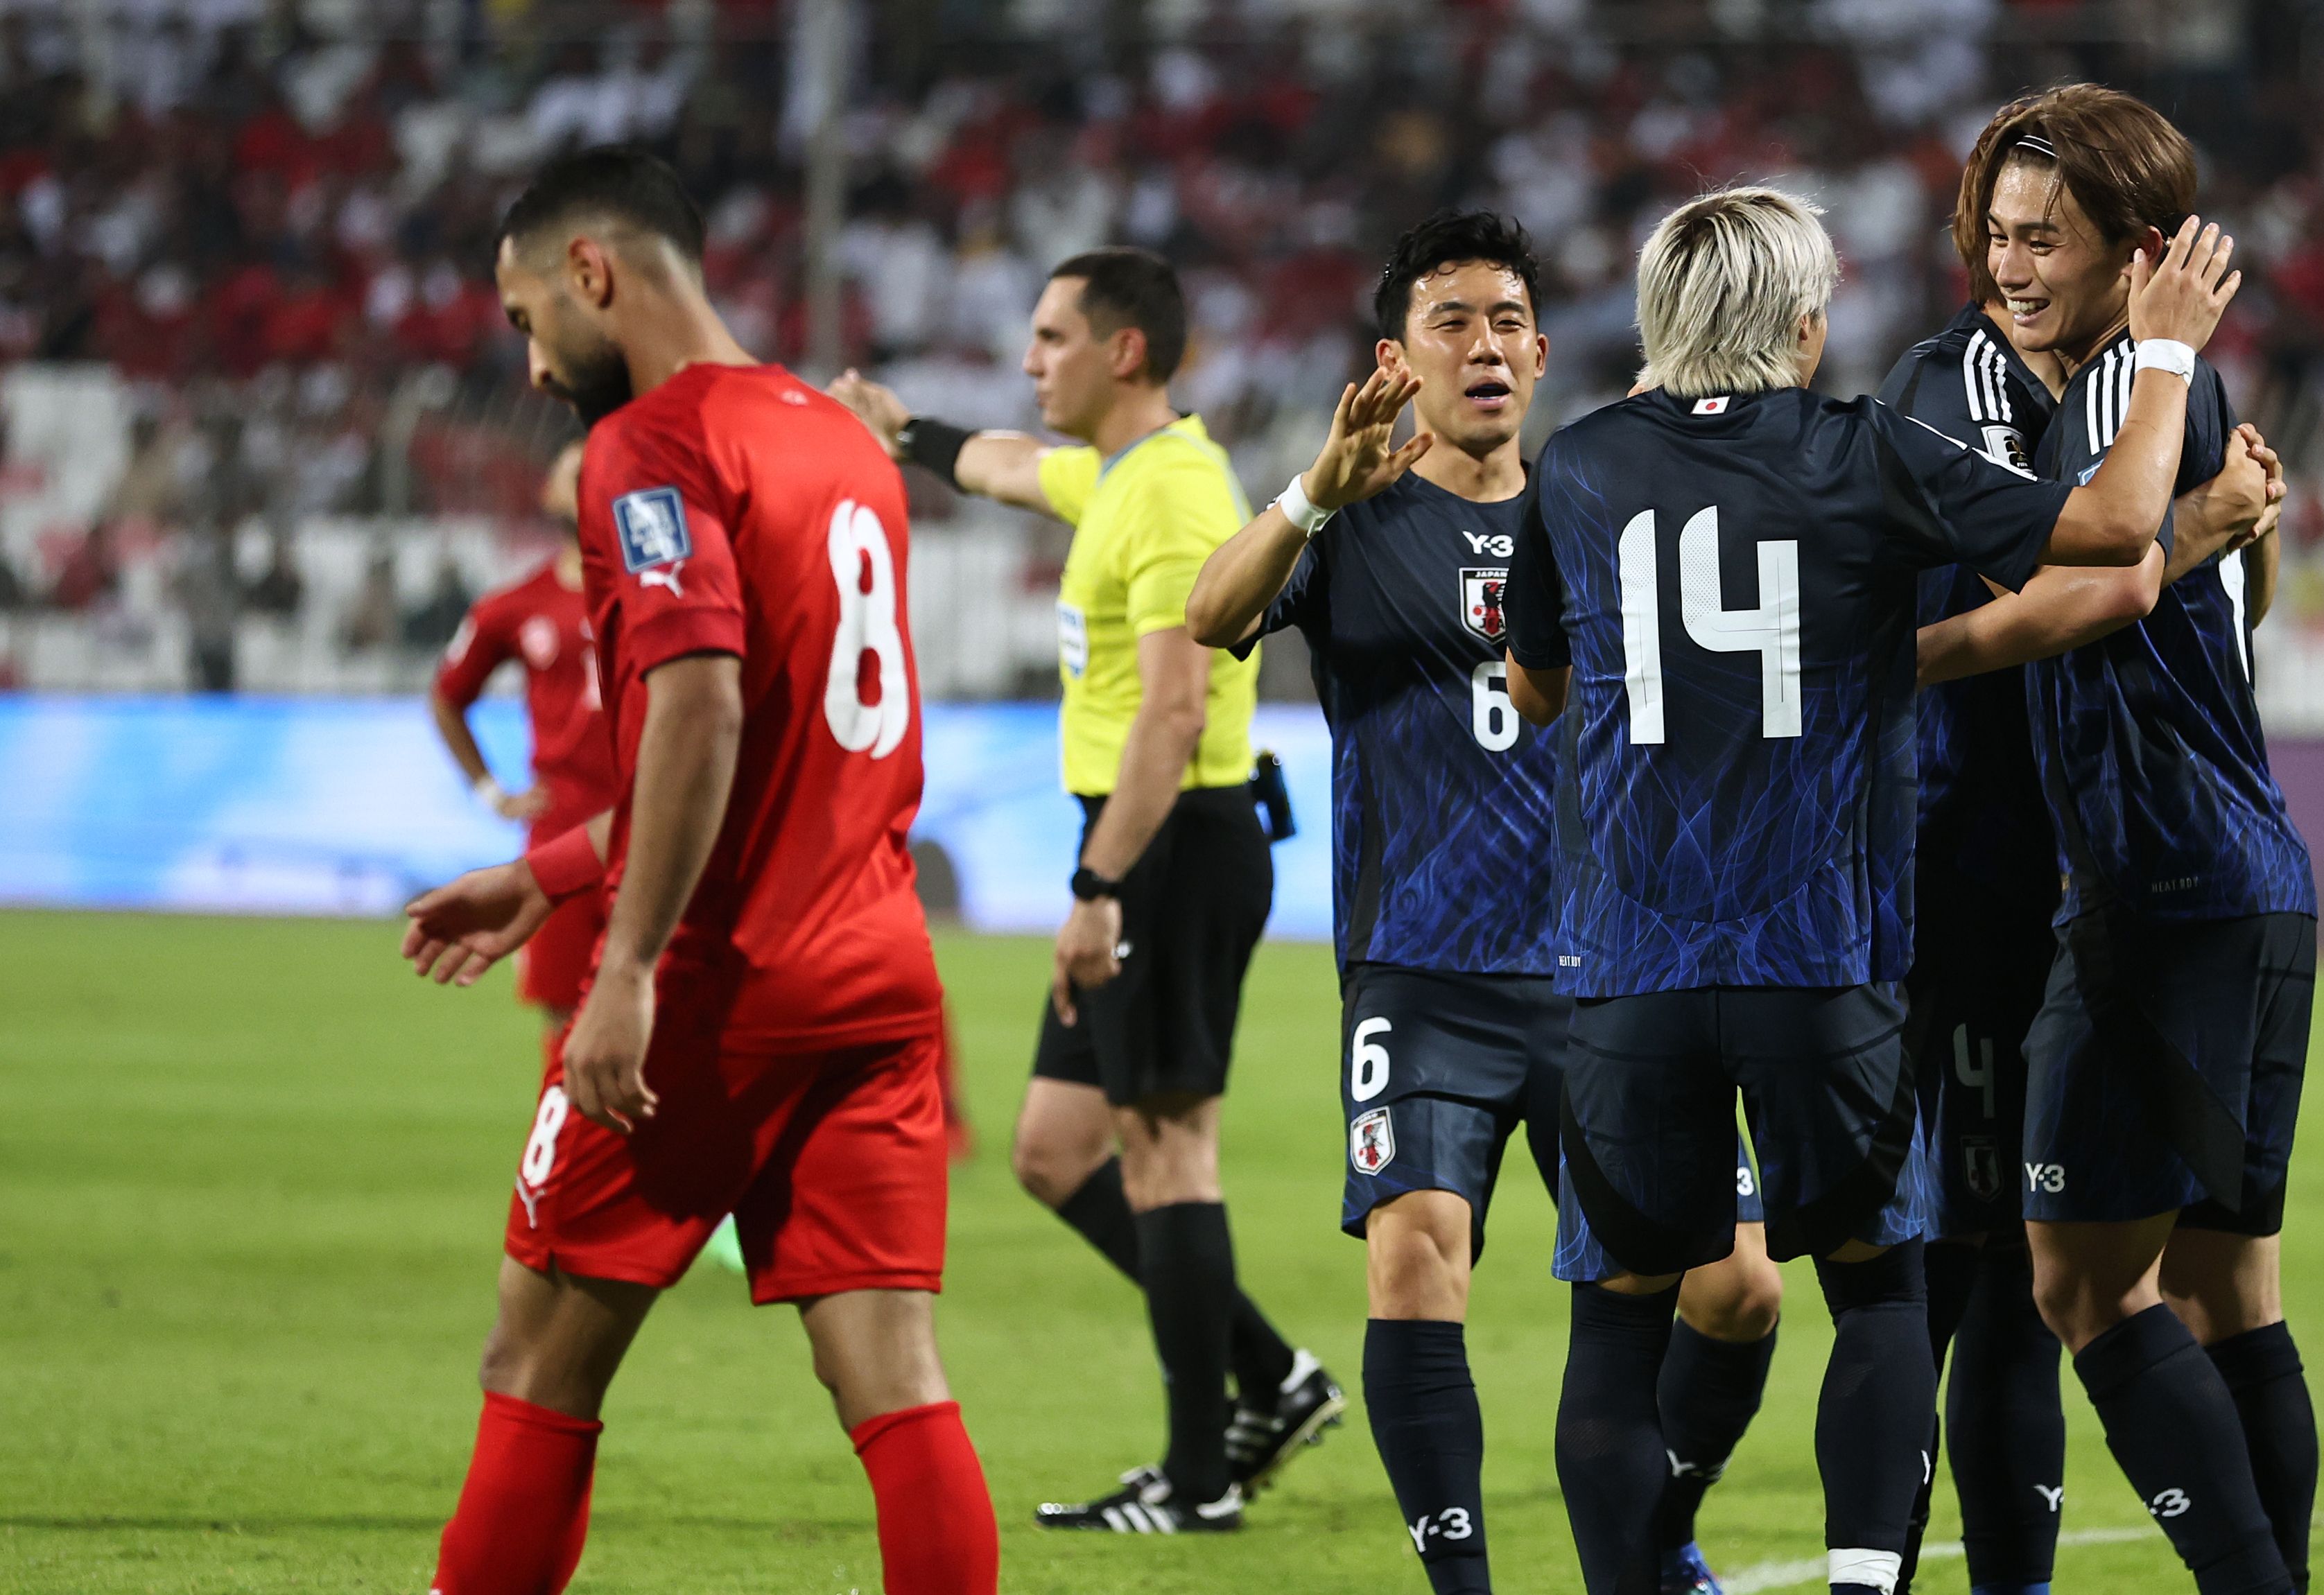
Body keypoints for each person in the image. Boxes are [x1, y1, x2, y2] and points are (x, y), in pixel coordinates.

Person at [1501, 185, 2237, 1595]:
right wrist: (2159, 355)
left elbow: (1536, 687)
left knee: (1614, 1329)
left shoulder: (1579, 465)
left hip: (1623, 971)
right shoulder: (1860, 450)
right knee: (1879, 1290)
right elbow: (2105, 527)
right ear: (1797, 319)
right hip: (1819, 957)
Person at [397, 147, 993, 1595]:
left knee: (536, 1350)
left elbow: (704, 708)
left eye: (531, 319)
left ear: (593, 272)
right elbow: (773, 752)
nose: (534, 368)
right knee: (894, 1377)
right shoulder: (838, 439)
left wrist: (623, 968)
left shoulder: (652, 445)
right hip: (877, 977)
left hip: (721, 989)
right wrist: (547, 867)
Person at [1186, 211, 1786, 1595]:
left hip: (1612, 974)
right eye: (1451, 321)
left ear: (1540, 347)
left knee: (1737, 1285)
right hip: (1422, 968)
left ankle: (1656, 1524)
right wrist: (1309, 494)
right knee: (1416, 1261)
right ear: (1396, 356)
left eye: (1508, 319)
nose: (1486, 345)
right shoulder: (1353, 519)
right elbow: (1209, 620)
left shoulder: (1602, 506)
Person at [829, 246, 1334, 1533]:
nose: (1027, 358)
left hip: (1166, 845)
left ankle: (1200, 1480)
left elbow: (1172, 712)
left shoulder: (1172, 497)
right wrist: (903, 432)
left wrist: (1100, 884)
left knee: (1169, 1154)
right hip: (1137, 842)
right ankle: (1271, 1377)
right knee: (1059, 1153)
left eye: (1050, 337)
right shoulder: (1118, 476)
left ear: (1123, 353)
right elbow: (1002, 463)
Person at [1913, 86, 2318, 1595]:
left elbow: (2104, 558)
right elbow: (2203, 598)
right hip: (2259, 882)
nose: (2009, 267)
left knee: (2073, 1284)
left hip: (2148, 889)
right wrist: (2217, 533)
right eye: (1995, 235)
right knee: (2228, 1293)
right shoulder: (2181, 409)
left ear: (2135, 254)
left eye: (2045, 239)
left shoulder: (2126, 392)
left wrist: (2168, 516)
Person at [430, 440, 617, 1059]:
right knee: (563, 1014)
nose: (589, 477)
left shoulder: (661, 593)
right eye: (574, 470)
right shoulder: (515, 604)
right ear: (548, 495)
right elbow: (448, 694)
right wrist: (490, 790)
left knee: (671, 1006)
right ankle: (570, 1144)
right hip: (560, 831)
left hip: (650, 827)